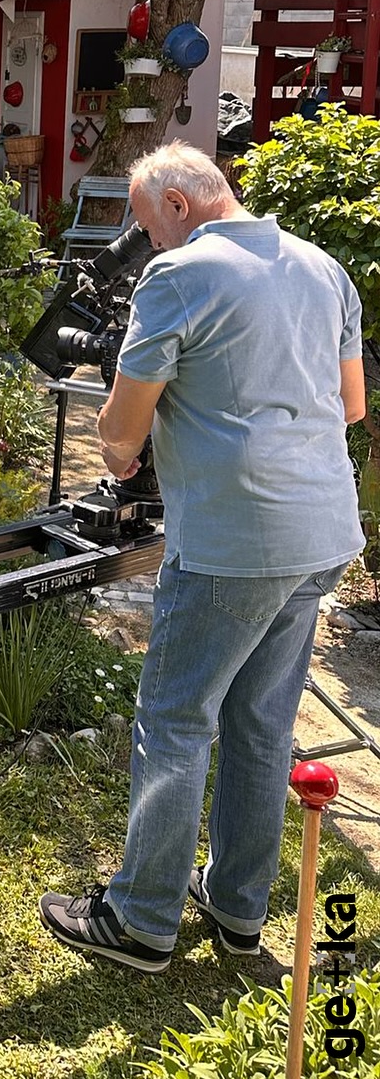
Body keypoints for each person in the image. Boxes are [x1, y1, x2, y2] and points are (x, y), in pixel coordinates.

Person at [39, 141, 366, 973]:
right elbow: (353, 405)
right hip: (324, 530)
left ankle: (141, 919)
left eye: (149, 227)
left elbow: (118, 435)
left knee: (177, 722)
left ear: (178, 206)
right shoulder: (325, 267)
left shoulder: (180, 275)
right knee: (261, 726)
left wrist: (126, 447)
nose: (149, 245)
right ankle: (236, 910)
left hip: (233, 541)